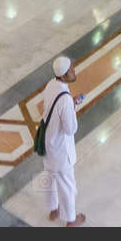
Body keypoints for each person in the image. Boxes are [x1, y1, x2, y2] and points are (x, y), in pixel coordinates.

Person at [40, 55, 85, 227]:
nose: (74, 72)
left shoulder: (51, 85)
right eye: (72, 70)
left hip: (48, 143)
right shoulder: (65, 98)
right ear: (64, 75)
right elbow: (70, 129)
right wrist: (72, 108)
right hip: (61, 149)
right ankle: (71, 220)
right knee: (66, 184)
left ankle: (54, 211)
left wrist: (69, 105)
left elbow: (53, 110)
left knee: (50, 177)